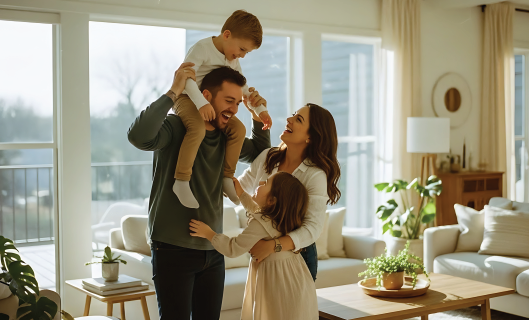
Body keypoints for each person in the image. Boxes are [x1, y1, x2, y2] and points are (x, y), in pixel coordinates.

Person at [127, 63, 271, 320]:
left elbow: (261, 154)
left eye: (237, 103)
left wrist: (256, 116)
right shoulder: (177, 126)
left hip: (213, 248)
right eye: (228, 101)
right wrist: (174, 92)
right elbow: (138, 136)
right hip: (172, 248)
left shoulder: (229, 136)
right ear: (206, 96)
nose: (233, 109)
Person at [173, 9, 273, 209]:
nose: (242, 56)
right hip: (186, 97)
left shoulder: (232, 60)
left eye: (246, 53)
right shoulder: (201, 49)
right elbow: (187, 79)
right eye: (242, 49)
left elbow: (244, 90)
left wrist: (260, 110)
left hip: (209, 104)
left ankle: (227, 177)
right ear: (227, 35)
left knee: (239, 129)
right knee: (198, 128)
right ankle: (181, 180)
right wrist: (201, 104)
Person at [189, 172, 318, 320]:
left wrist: (209, 234)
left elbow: (234, 248)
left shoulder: (261, 224)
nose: (261, 182)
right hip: (296, 277)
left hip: (276, 281)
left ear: (271, 200)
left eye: (267, 183)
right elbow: (258, 212)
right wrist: (242, 194)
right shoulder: (283, 220)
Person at [238, 103, 341, 281]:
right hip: (262, 251)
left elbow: (313, 228)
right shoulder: (268, 157)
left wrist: (271, 246)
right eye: (293, 115)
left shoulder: (314, 175)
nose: (288, 119)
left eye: (298, 119)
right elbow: (240, 188)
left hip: (297, 255)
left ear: (311, 137)